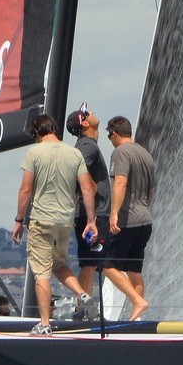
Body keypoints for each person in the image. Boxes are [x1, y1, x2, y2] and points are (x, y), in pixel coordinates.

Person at [12, 114, 98, 335]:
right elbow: (88, 188)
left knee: (41, 272)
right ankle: (83, 294)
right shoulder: (74, 153)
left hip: (41, 220)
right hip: (65, 221)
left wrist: (19, 220)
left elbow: (25, 190)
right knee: (59, 264)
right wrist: (91, 221)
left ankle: (44, 323)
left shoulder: (34, 153)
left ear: (37, 133)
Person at [103, 115, 155, 321]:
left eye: (109, 135)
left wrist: (114, 213)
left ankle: (137, 301)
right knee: (134, 269)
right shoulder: (145, 154)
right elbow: (152, 189)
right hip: (145, 218)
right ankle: (137, 318)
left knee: (107, 265)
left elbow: (121, 183)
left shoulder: (121, 152)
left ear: (115, 134)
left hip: (128, 219)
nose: (110, 139)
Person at [67, 104, 111, 313]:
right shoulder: (88, 146)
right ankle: (82, 309)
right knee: (91, 262)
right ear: (84, 123)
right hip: (91, 214)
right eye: (88, 113)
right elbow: (75, 171)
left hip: (88, 212)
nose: (93, 113)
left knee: (91, 262)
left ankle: (82, 308)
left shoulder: (87, 144)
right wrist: (90, 188)